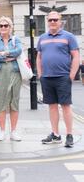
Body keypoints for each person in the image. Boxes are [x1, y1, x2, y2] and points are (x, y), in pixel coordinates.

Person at [37, 11, 80, 148]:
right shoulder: (42, 38)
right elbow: (39, 57)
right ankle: (55, 134)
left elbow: (76, 56)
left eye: (55, 20)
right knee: (52, 107)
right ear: (47, 21)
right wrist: (40, 74)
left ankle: (69, 135)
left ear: (60, 21)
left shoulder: (69, 37)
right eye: (50, 20)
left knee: (66, 106)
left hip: (63, 77)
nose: (53, 22)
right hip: (47, 77)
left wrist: (72, 75)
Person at [0, 17, 22, 142]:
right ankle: (2, 131)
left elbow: (18, 51)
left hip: (15, 72)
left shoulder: (16, 39)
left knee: (14, 102)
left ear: (10, 27)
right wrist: (9, 55)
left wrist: (3, 53)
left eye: (6, 25)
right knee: (1, 102)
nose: (3, 28)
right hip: (0, 73)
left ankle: (13, 131)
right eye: (1, 25)